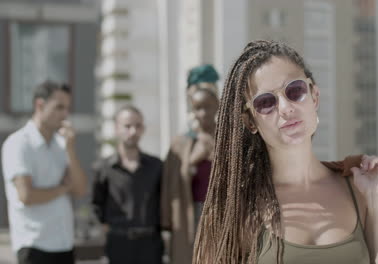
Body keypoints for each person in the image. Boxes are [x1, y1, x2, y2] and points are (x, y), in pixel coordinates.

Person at [192, 40, 378, 264]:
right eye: (266, 102)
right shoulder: (234, 208)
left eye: (294, 91)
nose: (286, 108)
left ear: (314, 97)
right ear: (250, 122)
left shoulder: (359, 190)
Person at [1, 81, 88, 264]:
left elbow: (80, 190)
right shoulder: (18, 144)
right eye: (59, 107)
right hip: (34, 247)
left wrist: (70, 149)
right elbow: (27, 195)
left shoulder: (61, 144)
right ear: (39, 105)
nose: (65, 114)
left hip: (64, 245)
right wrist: (63, 189)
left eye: (67, 108)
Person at [161, 64, 219, 264]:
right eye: (198, 108)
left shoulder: (230, 140)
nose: (203, 113)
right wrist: (194, 159)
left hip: (221, 213)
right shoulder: (182, 142)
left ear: (218, 105)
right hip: (190, 216)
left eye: (208, 106)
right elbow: (170, 186)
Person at [91, 105, 163, 264]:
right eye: (127, 126)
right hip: (118, 244)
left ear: (143, 129)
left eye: (138, 126)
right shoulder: (103, 168)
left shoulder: (157, 166)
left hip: (150, 245)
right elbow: (97, 206)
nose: (133, 131)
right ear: (117, 129)